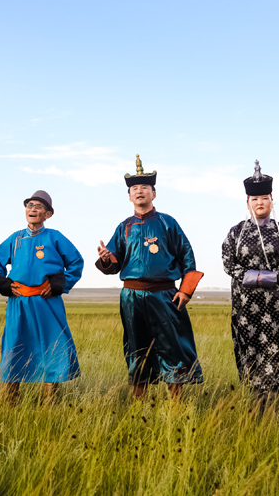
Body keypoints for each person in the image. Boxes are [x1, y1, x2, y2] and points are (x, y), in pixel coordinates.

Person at [96, 155, 204, 400]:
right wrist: (105, 258)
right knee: (136, 348)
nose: (139, 191)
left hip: (165, 294)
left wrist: (185, 290)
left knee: (171, 347)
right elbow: (114, 261)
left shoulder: (168, 223)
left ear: (153, 193)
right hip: (132, 296)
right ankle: (139, 405)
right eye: (135, 188)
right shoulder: (124, 227)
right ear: (129, 196)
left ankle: (176, 406)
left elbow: (187, 255)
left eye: (144, 187)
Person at [221, 161, 279, 412]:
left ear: (272, 200)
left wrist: (270, 278)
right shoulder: (235, 232)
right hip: (246, 305)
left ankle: (269, 403)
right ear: (247, 203)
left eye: (264, 197)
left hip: (278, 302)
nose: (259, 202)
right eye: (254, 198)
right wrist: (252, 277)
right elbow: (228, 262)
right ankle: (258, 400)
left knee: (277, 347)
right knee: (252, 348)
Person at [0, 190, 84, 404]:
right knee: (14, 348)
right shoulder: (16, 238)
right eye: (30, 205)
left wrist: (59, 283)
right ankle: (9, 403)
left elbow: (77, 262)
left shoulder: (55, 237)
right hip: (19, 303)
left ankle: (50, 404)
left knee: (54, 347)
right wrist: (2, 282)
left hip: (47, 302)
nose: (33, 209)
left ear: (48, 214)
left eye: (39, 206)